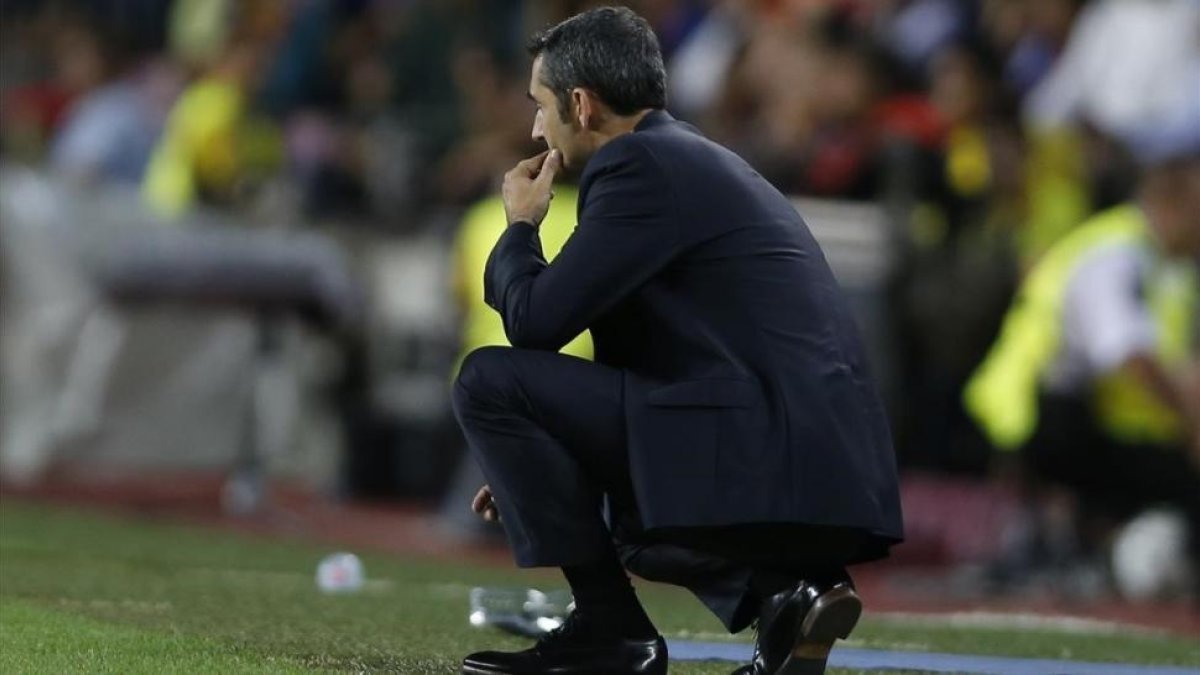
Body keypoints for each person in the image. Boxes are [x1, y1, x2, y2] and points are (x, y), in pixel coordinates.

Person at [451, 8, 903, 675]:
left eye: (540, 106)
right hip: (808, 458)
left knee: (486, 379)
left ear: (580, 103)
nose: (534, 128)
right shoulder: (684, 158)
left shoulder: (638, 167)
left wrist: (521, 228)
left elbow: (536, 321)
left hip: (767, 451)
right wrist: (537, 458)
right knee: (616, 516)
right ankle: (788, 593)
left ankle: (612, 633)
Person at [964, 141, 1200, 590]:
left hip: (1080, 411)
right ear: (1174, 205)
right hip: (1031, 412)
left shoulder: (1165, 265)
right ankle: (1100, 550)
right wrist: (1191, 424)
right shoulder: (1116, 252)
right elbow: (1125, 352)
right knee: (1179, 480)